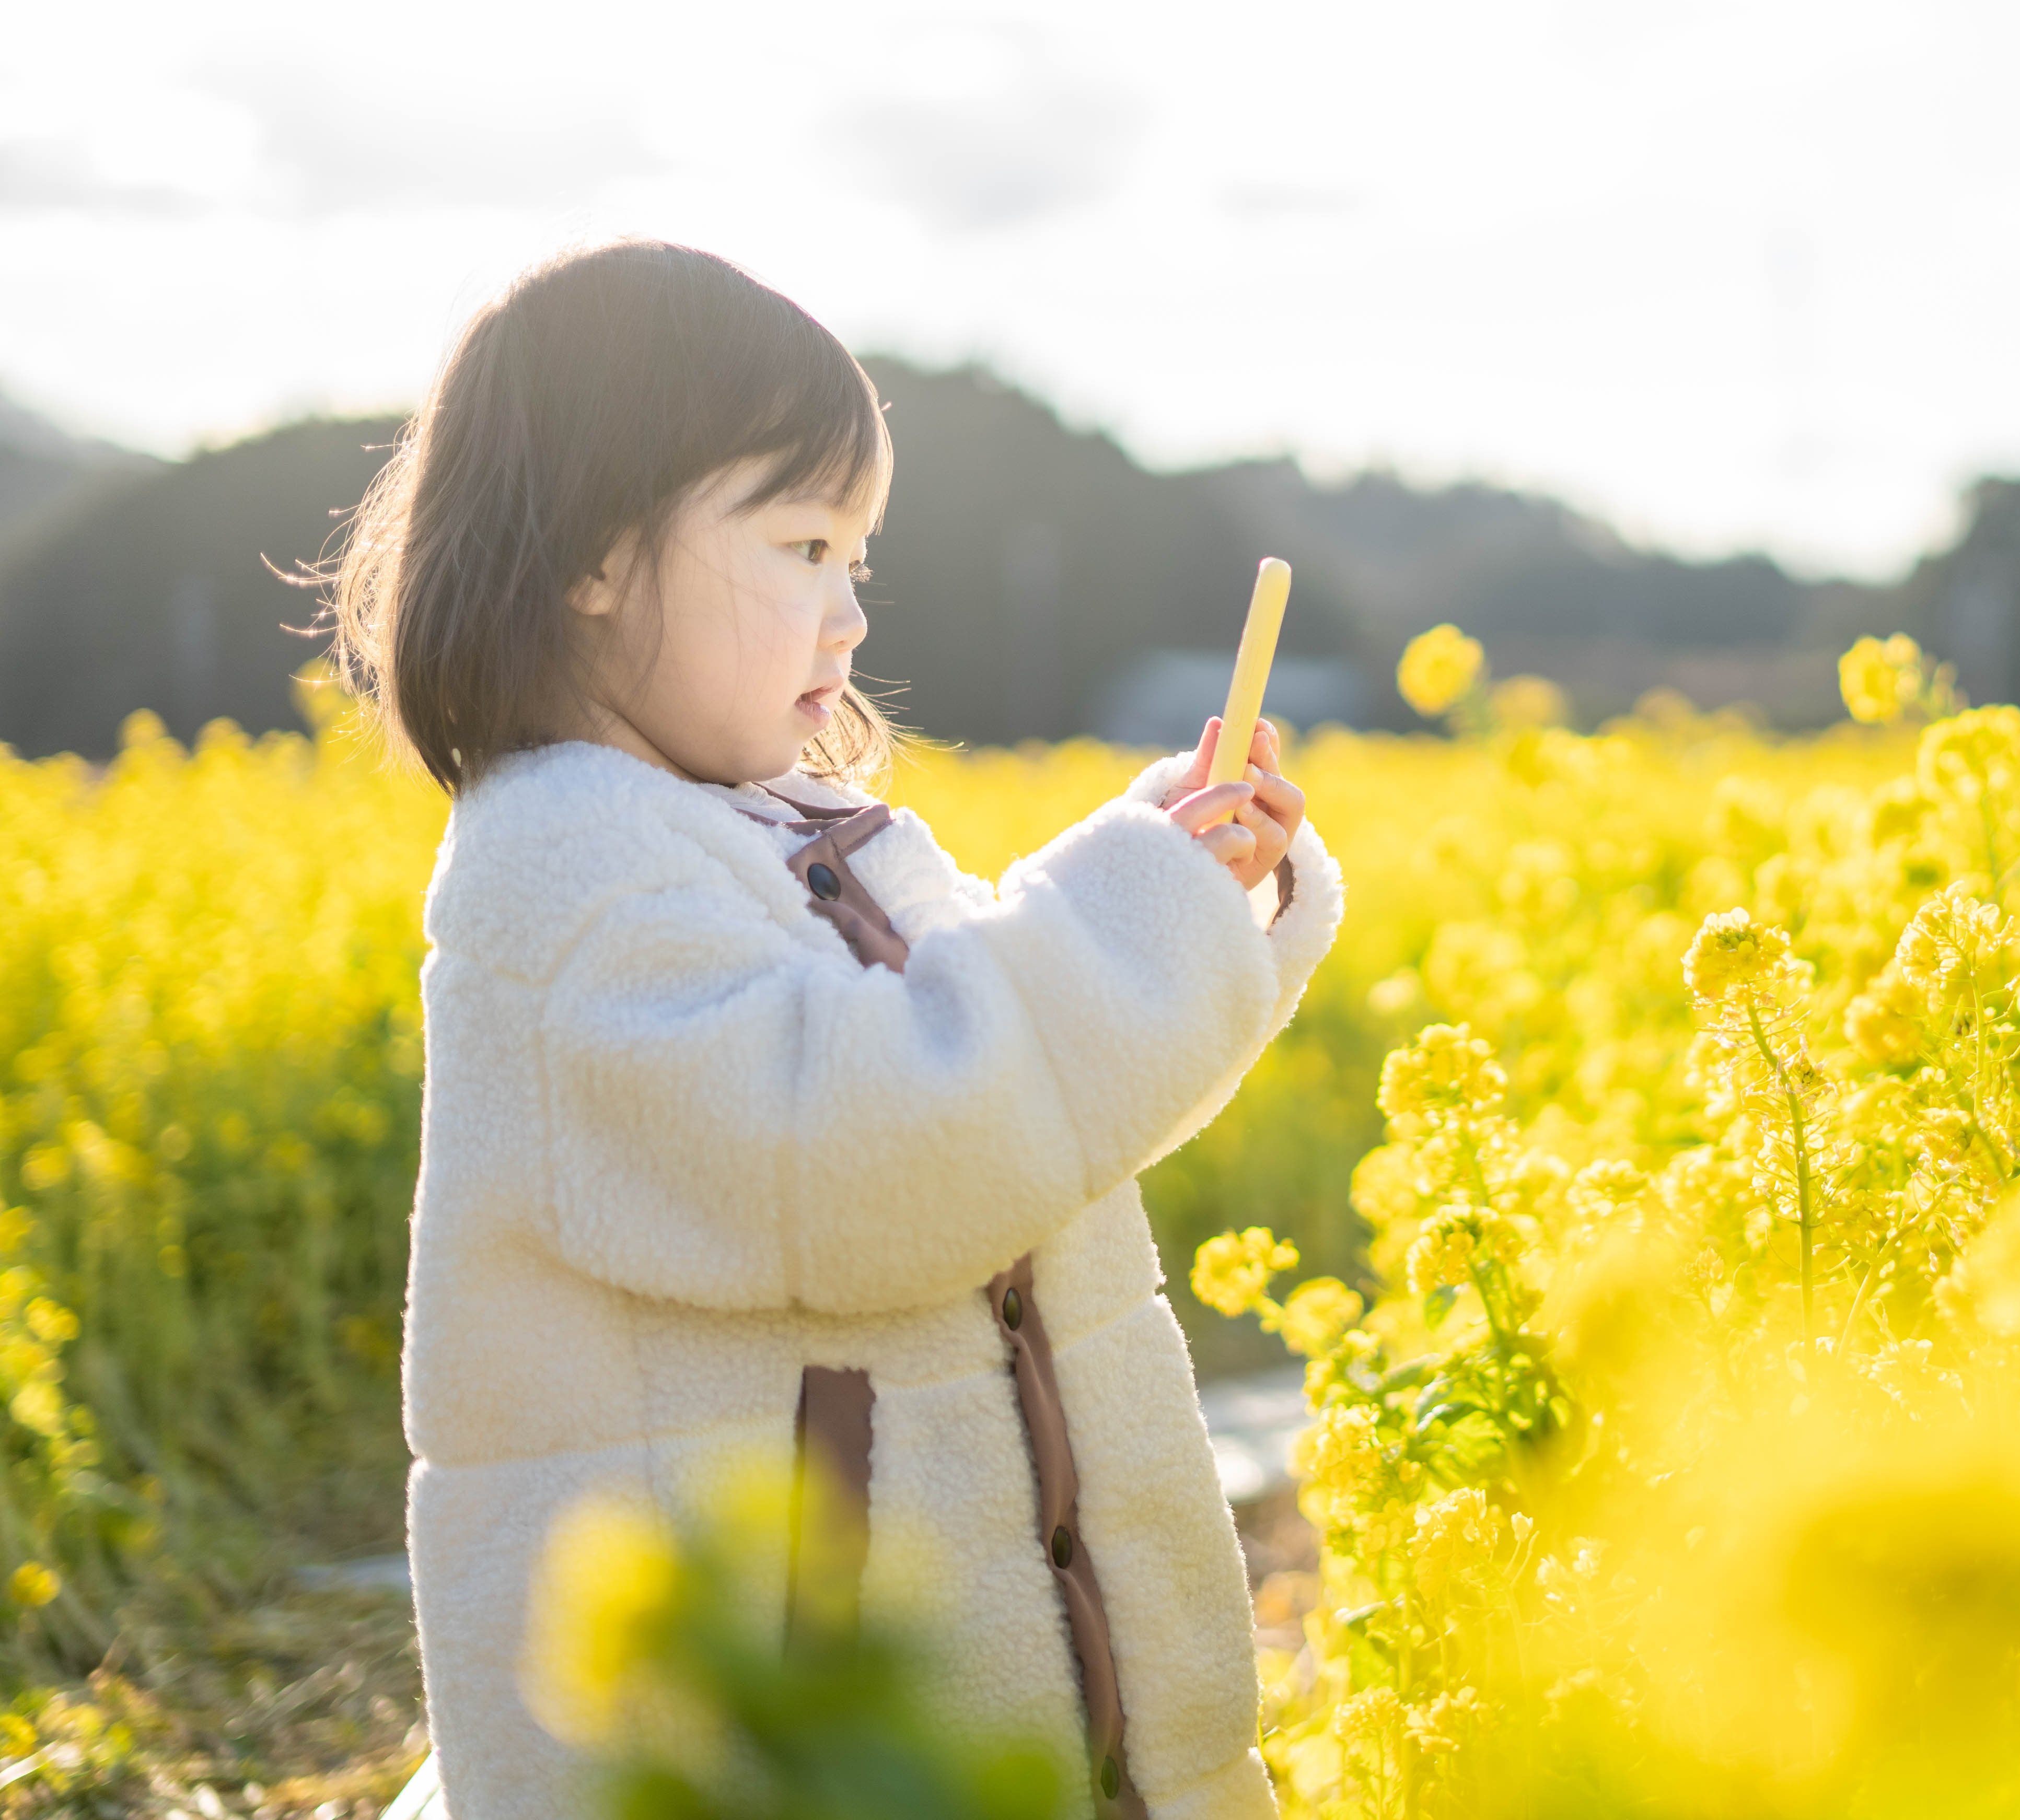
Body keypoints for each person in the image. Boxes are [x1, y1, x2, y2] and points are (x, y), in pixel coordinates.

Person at [331, 242, 1336, 1819]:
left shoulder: (814, 829)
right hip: (776, 1741)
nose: (851, 614)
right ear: (595, 554)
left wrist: (1196, 897)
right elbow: (883, 1142)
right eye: (805, 544)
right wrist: (1134, 907)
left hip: (941, 1690)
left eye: (860, 555)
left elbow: (1029, 1103)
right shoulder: (564, 870)